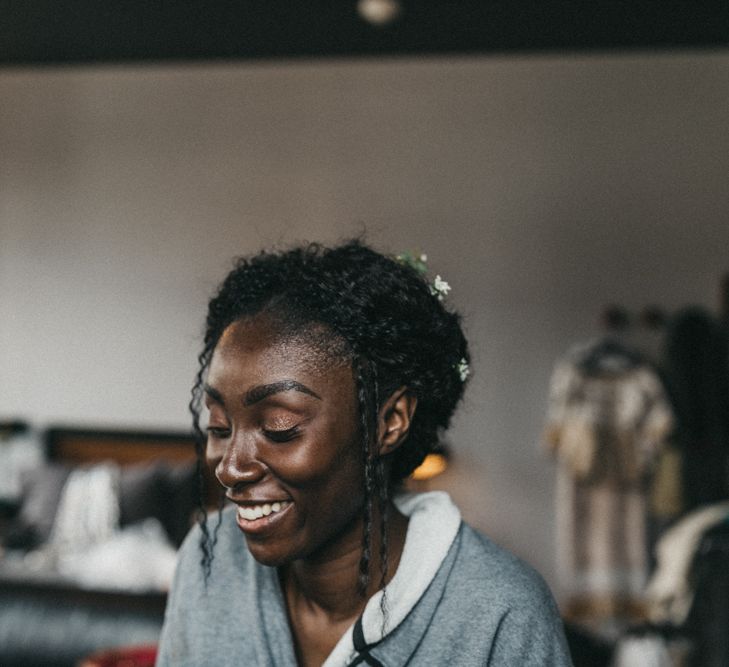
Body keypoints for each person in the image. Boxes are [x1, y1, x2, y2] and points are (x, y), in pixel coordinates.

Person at [157, 240, 572, 666]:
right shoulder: (208, 559)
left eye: (279, 427)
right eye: (219, 426)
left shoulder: (501, 615)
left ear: (389, 422)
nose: (230, 468)